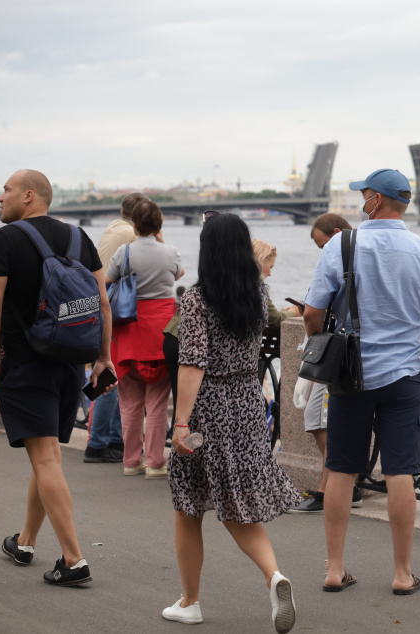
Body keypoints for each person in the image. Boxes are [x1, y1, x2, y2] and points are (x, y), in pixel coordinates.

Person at [303, 169, 420, 595]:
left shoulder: (341, 245)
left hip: (351, 376)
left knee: (340, 469)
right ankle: (403, 574)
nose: (361, 202)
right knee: (400, 472)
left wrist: (323, 343)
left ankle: (335, 568)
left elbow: (312, 314)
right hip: (404, 376)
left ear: (375, 200)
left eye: (364, 195)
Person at [164, 213, 301, 632]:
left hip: (210, 407)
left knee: (189, 506)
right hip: (248, 402)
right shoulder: (258, 295)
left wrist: (181, 424)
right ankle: (274, 575)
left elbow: (192, 365)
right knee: (237, 502)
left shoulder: (197, 299)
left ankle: (190, 601)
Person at [0, 169, 115, 586]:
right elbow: (103, 303)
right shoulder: (79, 237)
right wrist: (102, 357)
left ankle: (74, 560)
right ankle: (24, 541)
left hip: (25, 362)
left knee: (45, 459)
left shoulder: (5, 239)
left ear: (28, 195)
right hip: (70, 363)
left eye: (5, 191)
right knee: (46, 458)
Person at [289, 212, 364, 514]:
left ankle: (330, 488)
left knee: (317, 418)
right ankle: (344, 485)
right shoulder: (362, 253)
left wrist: (314, 343)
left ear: (335, 233)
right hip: (357, 350)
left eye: (322, 245)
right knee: (320, 419)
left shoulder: (339, 255)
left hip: (334, 351)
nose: (322, 252)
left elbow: (312, 313)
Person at [106, 200, 184, 479]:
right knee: (158, 403)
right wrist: (161, 240)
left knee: (129, 403)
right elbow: (179, 274)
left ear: (134, 225)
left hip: (129, 332)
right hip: (161, 333)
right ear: (159, 225)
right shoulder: (170, 251)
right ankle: (154, 462)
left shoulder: (124, 251)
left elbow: (108, 279)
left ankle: (130, 461)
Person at [84, 192, 147, 464]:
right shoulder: (132, 236)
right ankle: (98, 445)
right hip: (116, 312)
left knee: (107, 374)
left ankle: (106, 441)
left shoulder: (113, 228)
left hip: (98, 308)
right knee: (111, 376)